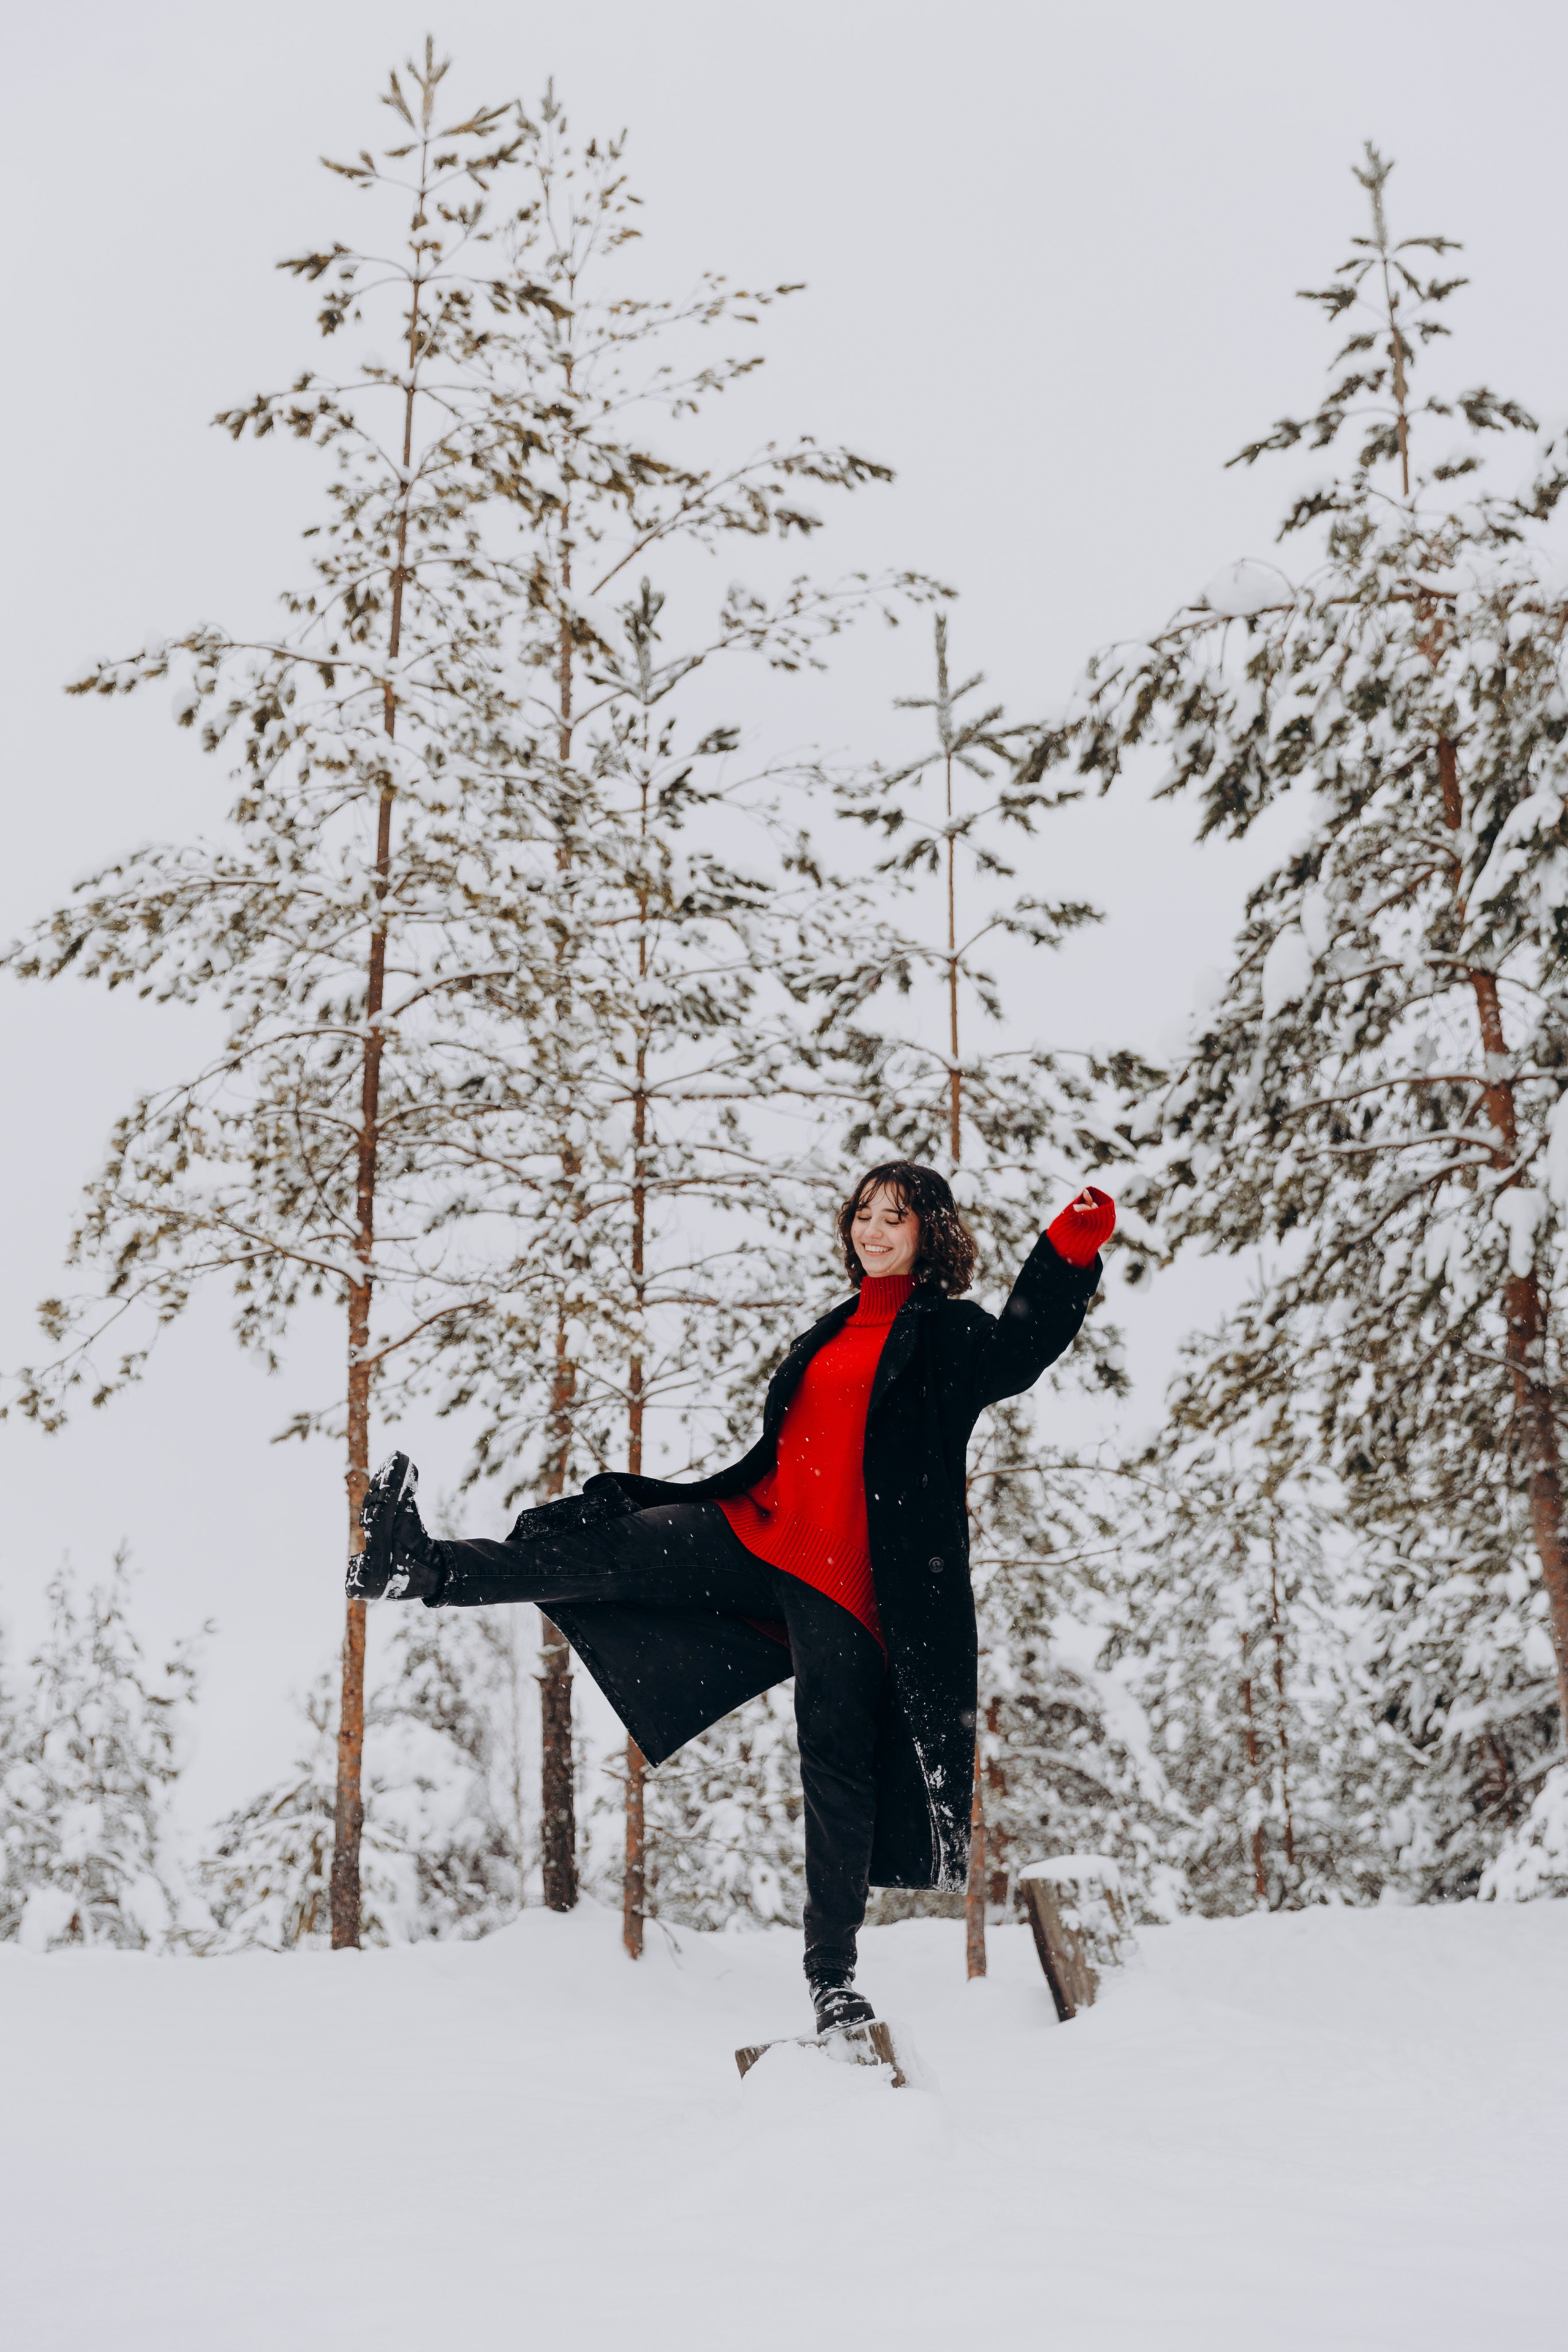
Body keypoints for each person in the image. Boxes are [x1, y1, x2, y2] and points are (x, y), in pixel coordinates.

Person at [350, 1161, 1114, 2034]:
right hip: (760, 1530)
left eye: (894, 1218)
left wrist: (1065, 1252)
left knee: (836, 1768)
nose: (872, 1230)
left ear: (927, 1232)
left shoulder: (949, 1333)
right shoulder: (833, 1329)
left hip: (850, 1584)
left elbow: (1022, 1350)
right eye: (864, 1213)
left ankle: (832, 1976)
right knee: (612, 1545)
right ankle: (421, 1569)